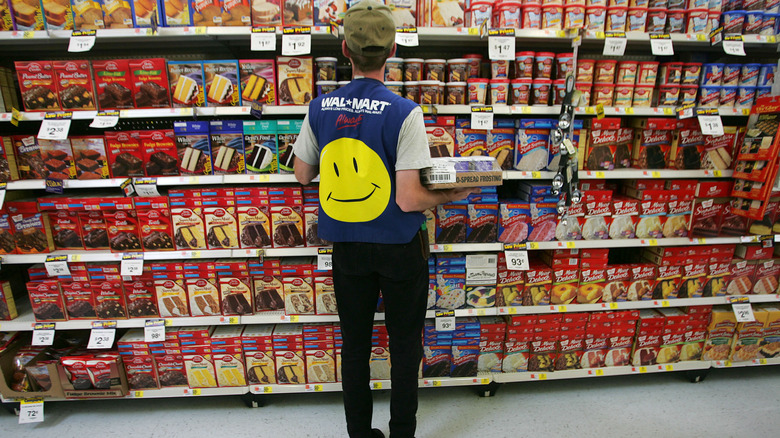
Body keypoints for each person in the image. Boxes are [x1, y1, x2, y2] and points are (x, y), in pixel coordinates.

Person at [293, 1, 475, 436]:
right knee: (404, 344)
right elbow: (411, 199)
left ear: (344, 50)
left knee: (354, 346)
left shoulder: (320, 107)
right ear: (392, 50)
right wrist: (455, 192)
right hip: (398, 246)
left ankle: (359, 433)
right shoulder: (404, 112)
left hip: (348, 246)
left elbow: (302, 174)